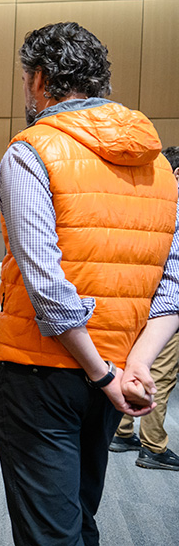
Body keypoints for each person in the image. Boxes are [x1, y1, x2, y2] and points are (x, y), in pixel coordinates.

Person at [0, 22, 178, 546]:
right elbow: (172, 282)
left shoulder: (31, 151)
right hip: (118, 373)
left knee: (50, 532)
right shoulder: (159, 164)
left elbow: (47, 290)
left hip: (44, 371)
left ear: (39, 79)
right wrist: (134, 365)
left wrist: (101, 375)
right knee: (77, 517)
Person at [110, 145, 179, 470]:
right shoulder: (171, 211)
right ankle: (154, 446)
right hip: (164, 314)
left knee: (137, 370)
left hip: (140, 309)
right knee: (160, 377)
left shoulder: (144, 207)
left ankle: (123, 432)